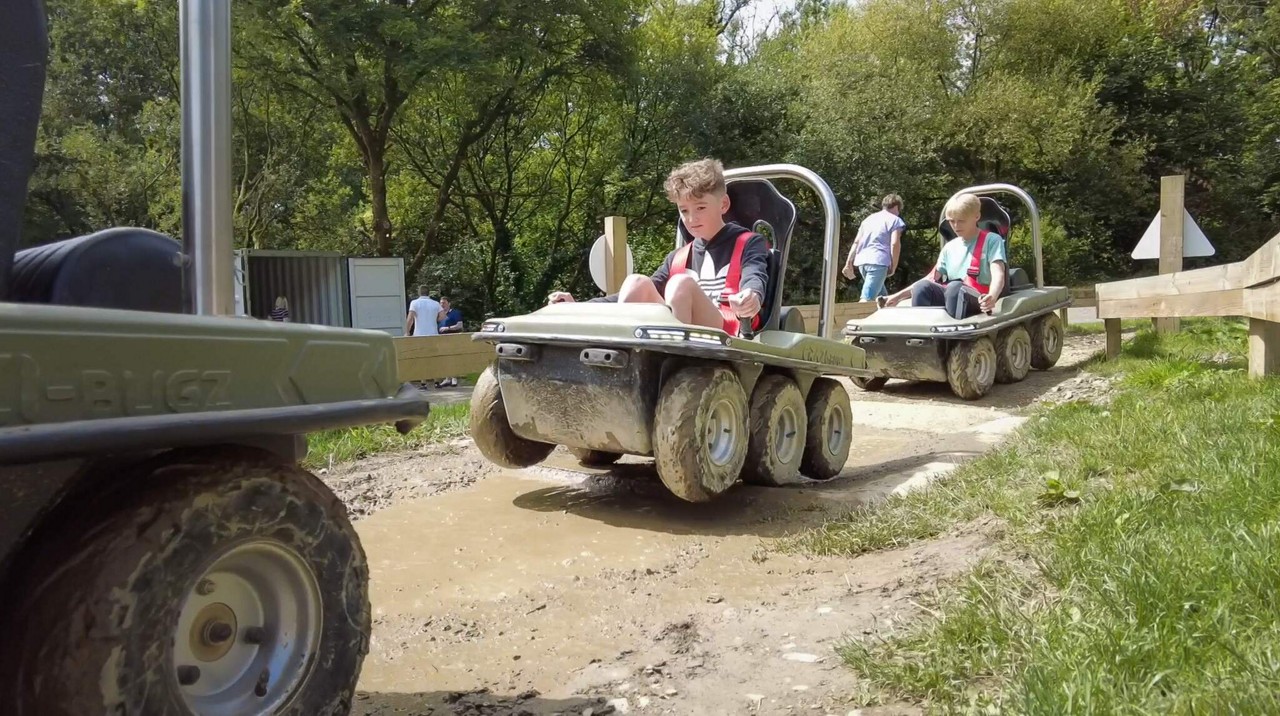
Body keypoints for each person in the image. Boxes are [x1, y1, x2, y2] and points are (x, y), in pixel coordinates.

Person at [546, 158, 769, 336]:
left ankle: (675, 363)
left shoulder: (749, 242)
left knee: (680, 284)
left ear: (723, 204)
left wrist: (752, 296)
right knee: (636, 283)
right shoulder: (678, 257)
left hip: (728, 329)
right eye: (684, 210)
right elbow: (625, 296)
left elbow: (755, 275)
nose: (692, 219)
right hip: (678, 327)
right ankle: (628, 359)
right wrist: (577, 306)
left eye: (700, 207)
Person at [880, 193, 1008, 319]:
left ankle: (953, 336)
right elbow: (931, 278)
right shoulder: (949, 247)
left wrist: (992, 295)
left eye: (961, 221)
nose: (956, 226)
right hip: (954, 294)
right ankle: (922, 333)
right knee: (922, 287)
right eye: (952, 221)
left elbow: (998, 273)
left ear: (976, 216)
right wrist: (897, 296)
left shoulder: (991, 240)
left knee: (955, 288)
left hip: (978, 296)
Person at [842, 193, 905, 301]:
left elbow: (856, 242)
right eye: (899, 210)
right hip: (878, 262)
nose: (898, 213)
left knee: (883, 300)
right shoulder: (895, 220)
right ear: (896, 207)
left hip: (862, 261)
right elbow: (895, 244)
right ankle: (858, 316)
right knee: (867, 299)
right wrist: (893, 266)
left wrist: (849, 262)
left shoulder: (868, 220)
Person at [435, 297, 464, 388]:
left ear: (449, 303)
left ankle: (454, 378)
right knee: (444, 358)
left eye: (444, 303)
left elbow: (460, 325)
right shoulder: (439, 314)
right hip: (441, 339)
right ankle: (447, 378)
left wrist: (448, 328)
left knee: (453, 357)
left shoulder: (455, 313)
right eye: (441, 303)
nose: (442, 305)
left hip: (453, 338)